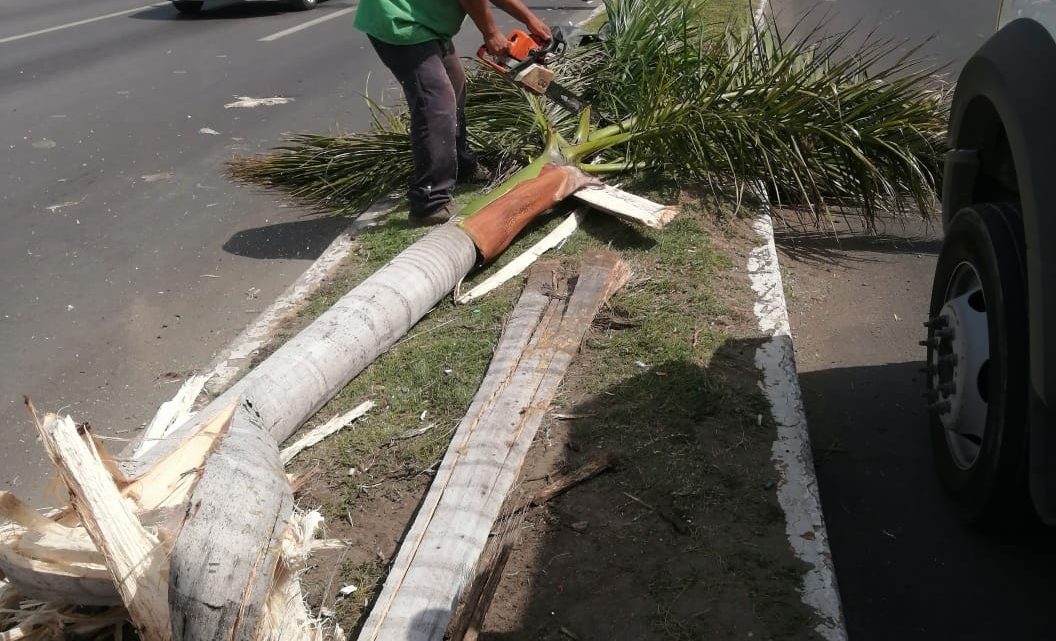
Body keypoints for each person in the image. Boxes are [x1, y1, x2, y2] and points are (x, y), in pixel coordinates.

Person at [354, 0, 552, 225]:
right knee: (436, 102)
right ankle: (429, 201)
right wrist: (491, 32)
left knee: (454, 83)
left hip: (427, 20)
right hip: (399, 18)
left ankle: (461, 165)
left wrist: (529, 19)